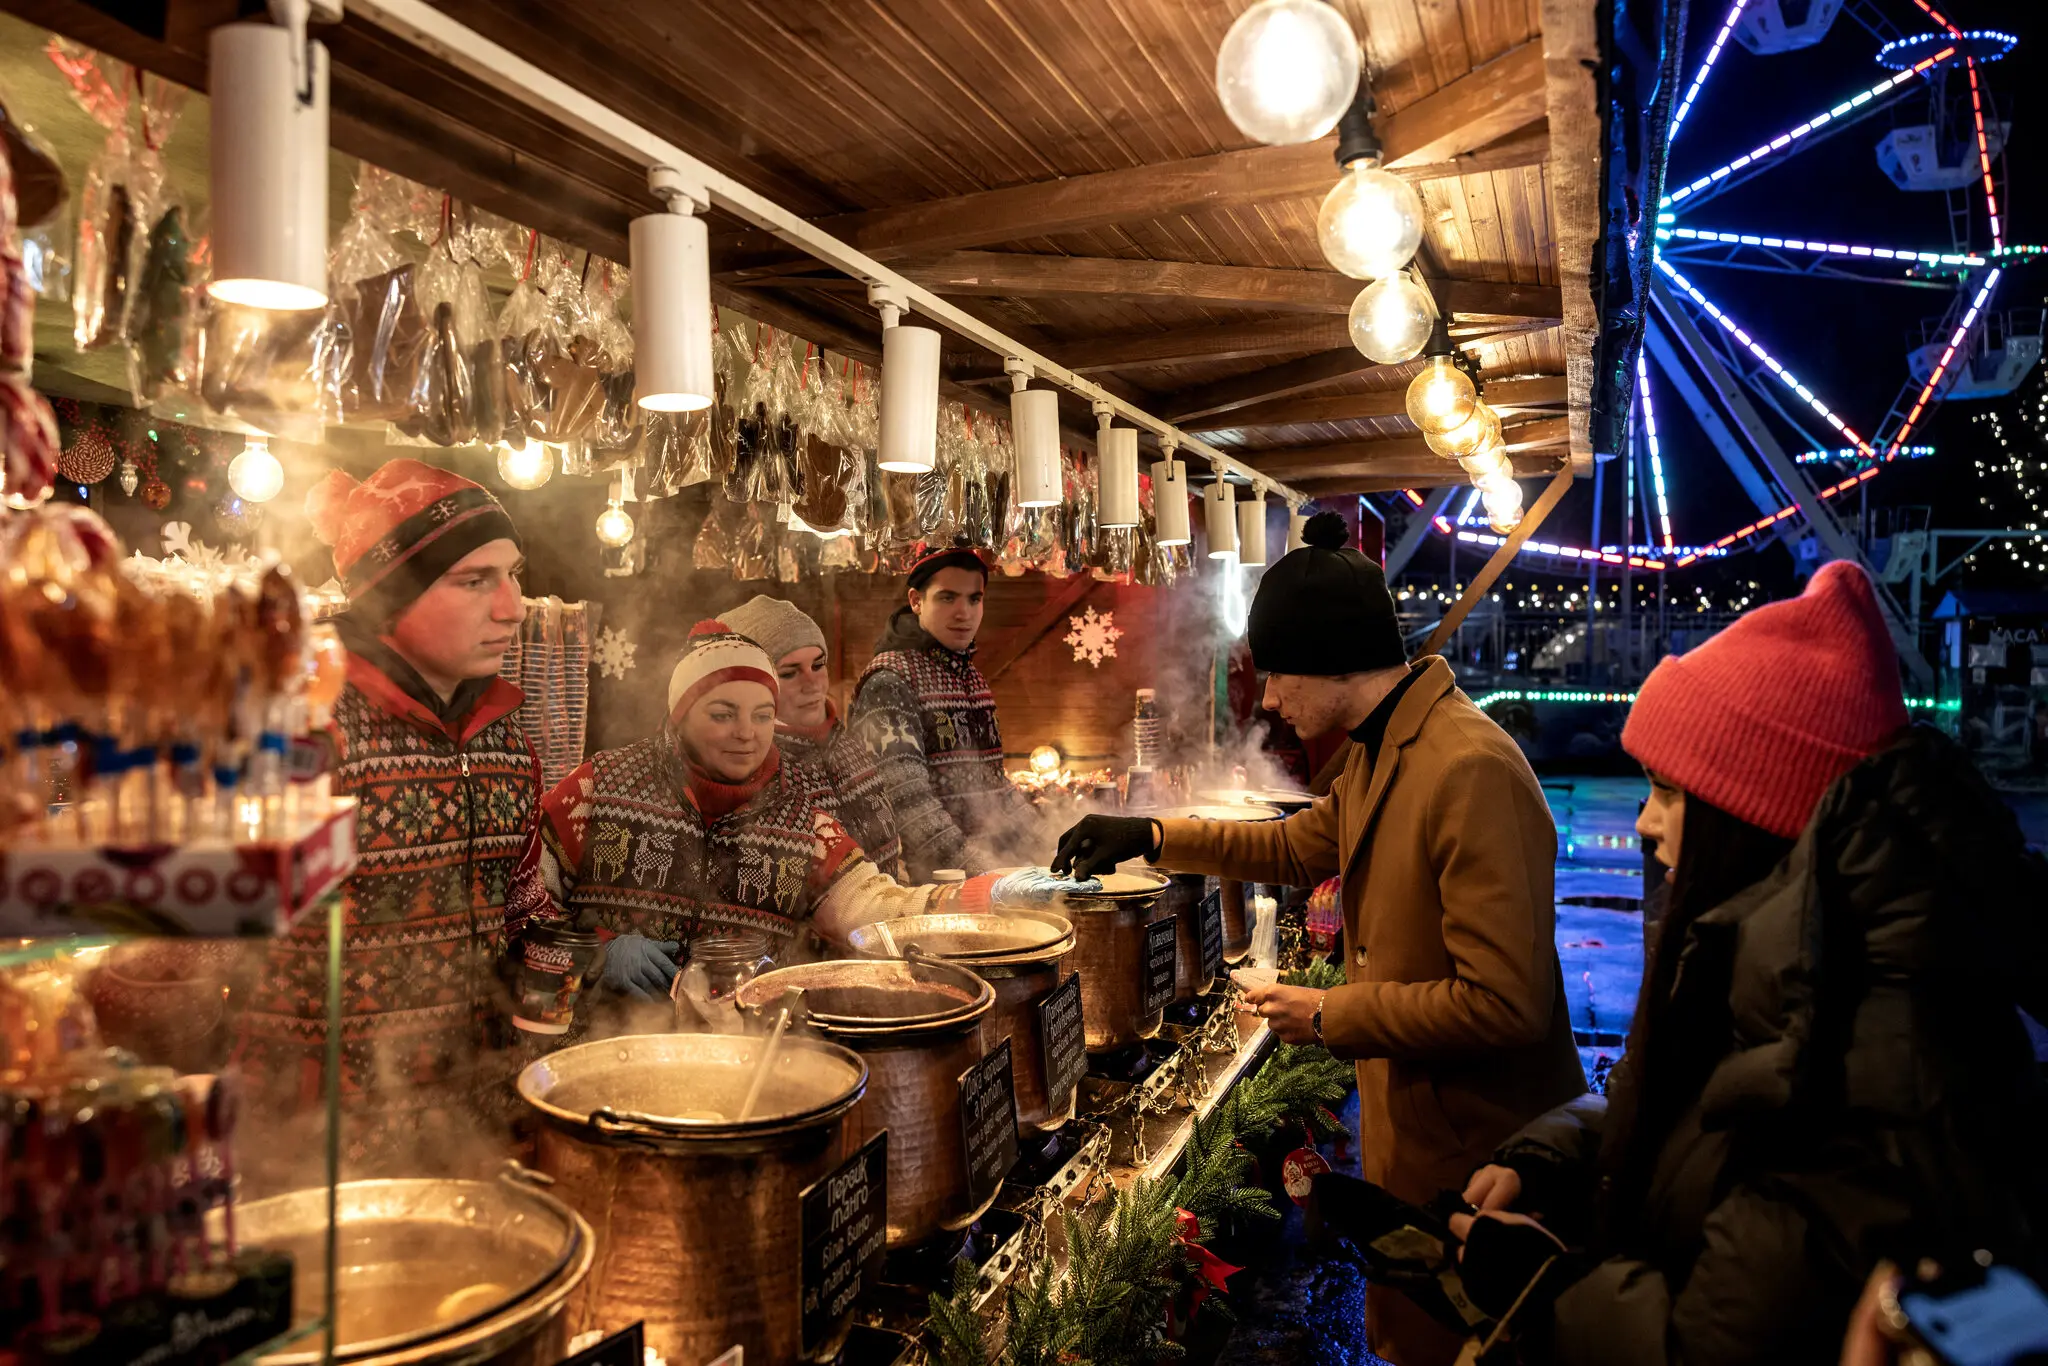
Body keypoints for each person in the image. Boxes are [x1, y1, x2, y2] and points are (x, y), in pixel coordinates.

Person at [1445, 562, 2048, 1366]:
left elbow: (1713, 1338)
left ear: (1755, 814)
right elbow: (1696, 1102)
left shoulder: (1878, 1063)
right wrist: (1555, 1154)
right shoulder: (1788, 968)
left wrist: (1545, 1286)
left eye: (1667, 791)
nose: (1643, 822)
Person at [1053, 511, 1585, 1366]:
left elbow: (1506, 1004)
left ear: (1333, 659)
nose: (1266, 701)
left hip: (1485, 1162)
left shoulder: (1469, 768)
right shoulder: (1386, 748)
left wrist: (1333, 1011)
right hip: (1420, 1135)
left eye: (1276, 676)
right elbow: (1298, 846)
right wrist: (1150, 835)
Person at [236, 459, 538, 1179]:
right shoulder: (307, 727)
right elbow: (232, 935)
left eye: (512, 574)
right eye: (475, 581)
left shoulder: (506, 739)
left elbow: (520, 909)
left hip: (476, 1123)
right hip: (323, 1140)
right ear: (390, 597)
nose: (514, 606)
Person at [518, 621, 1080, 1005]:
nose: (746, 734)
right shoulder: (599, 787)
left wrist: (986, 898)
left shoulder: (799, 819)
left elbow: (879, 910)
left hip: (742, 1064)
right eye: (722, 714)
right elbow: (517, 909)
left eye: (763, 715)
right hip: (601, 1057)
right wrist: (596, 953)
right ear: (679, 717)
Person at [850, 540, 1027, 880]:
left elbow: (996, 789)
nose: (964, 613)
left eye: (974, 599)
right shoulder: (889, 680)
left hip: (981, 873)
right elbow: (907, 802)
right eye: (948, 597)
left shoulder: (973, 679)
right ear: (916, 601)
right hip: (922, 889)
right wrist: (982, 875)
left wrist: (1054, 847)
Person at [721, 594, 903, 880]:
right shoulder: (755, 769)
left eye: (818, 665)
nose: (812, 683)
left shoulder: (847, 744)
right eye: (790, 673)